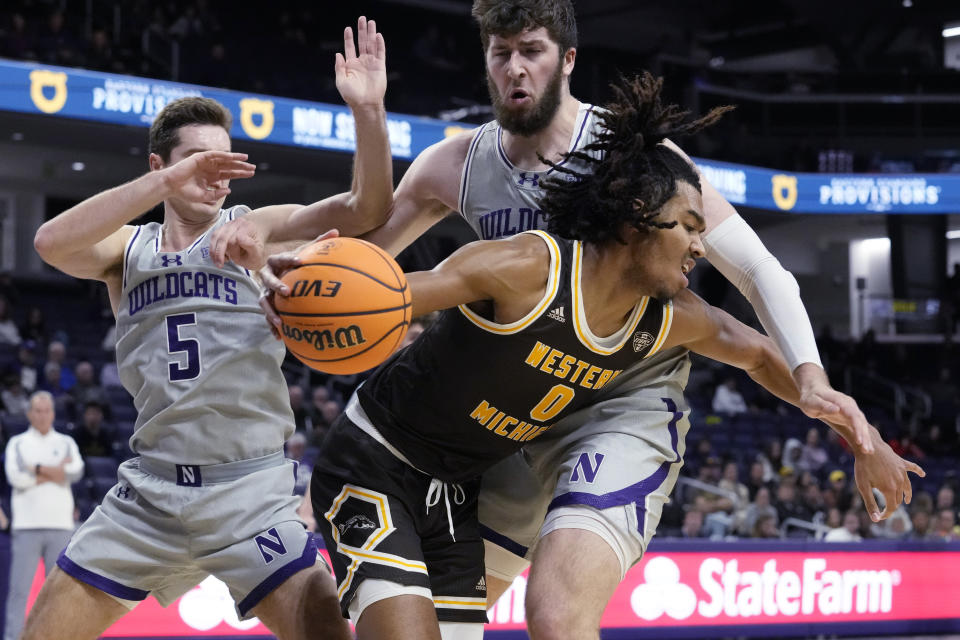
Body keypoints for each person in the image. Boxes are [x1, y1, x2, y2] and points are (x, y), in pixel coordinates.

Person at [214, 3, 918, 636]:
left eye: (533, 50)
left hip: (622, 395)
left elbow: (760, 273)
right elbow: (363, 269)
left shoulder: (637, 157)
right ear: (485, 61)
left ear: (568, 59)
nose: (516, 68)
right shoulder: (455, 164)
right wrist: (278, 261)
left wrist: (816, 382)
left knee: (555, 613)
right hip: (514, 415)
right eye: (500, 53)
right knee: (438, 617)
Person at [22, 17, 390, 640]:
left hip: (250, 493)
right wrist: (164, 184)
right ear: (159, 165)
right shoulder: (126, 251)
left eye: (225, 159)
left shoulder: (257, 226)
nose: (216, 173)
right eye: (198, 159)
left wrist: (369, 112)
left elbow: (367, 209)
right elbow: (49, 242)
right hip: (149, 495)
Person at [3, 391, 84, 640]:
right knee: (19, 591)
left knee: (58, 592)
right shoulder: (17, 442)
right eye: (37, 410)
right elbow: (16, 477)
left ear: (53, 413)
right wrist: (55, 472)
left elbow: (76, 470)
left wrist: (35, 470)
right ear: (29, 413)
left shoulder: (66, 442)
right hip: (27, 526)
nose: (42, 415)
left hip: (60, 524)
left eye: (46, 410)